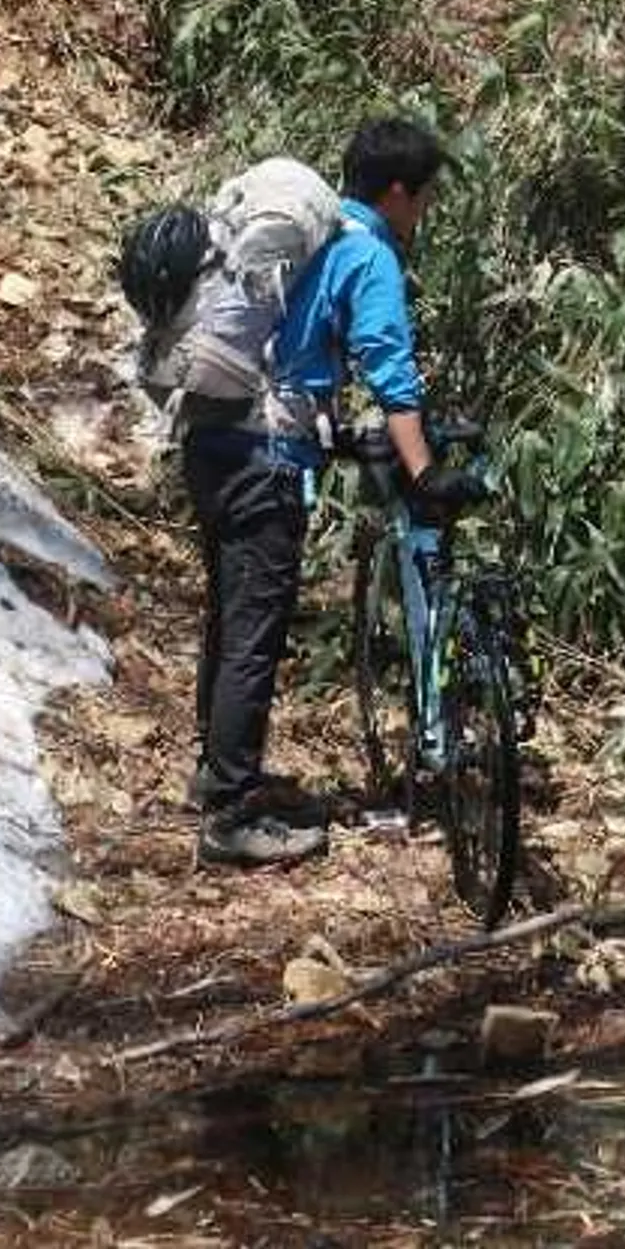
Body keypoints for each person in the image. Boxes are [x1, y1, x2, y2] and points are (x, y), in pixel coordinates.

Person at [184, 113, 448, 866]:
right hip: (266, 455)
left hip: (212, 437)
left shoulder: (312, 237)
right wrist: (423, 472)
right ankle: (230, 818)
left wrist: (330, 433)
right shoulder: (368, 255)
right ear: (396, 192)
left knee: (228, 613)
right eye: (422, 197)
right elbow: (388, 369)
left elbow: (289, 354)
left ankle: (216, 774)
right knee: (255, 630)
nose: (422, 213)